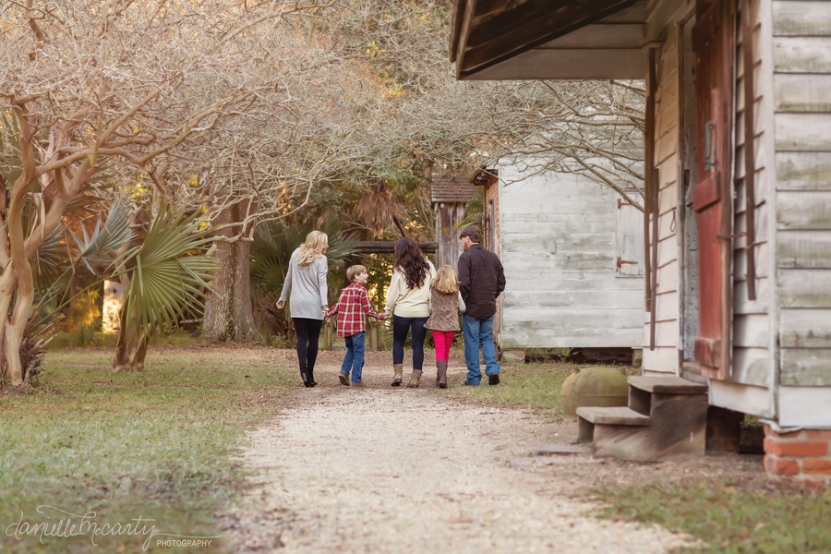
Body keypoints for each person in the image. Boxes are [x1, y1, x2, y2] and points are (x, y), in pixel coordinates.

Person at [277, 230, 329, 387]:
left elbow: (289, 277)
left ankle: (303, 371)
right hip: (314, 303)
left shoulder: (296, 254)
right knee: (313, 338)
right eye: (325, 242)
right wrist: (324, 304)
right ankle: (310, 374)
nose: (327, 245)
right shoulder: (322, 259)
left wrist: (282, 297)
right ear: (319, 243)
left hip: (297, 302)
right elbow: (322, 283)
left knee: (301, 338)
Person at [384, 238, 436, 388]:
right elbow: (434, 287)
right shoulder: (428, 266)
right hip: (422, 311)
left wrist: (388, 310)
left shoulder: (399, 269)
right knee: (417, 345)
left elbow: (393, 292)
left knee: (398, 342)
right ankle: (415, 378)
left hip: (402, 311)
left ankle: (398, 374)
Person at [458, 225, 505, 386]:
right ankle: (492, 369)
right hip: (489, 305)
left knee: (471, 341)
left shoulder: (465, 258)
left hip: (472, 306)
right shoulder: (493, 257)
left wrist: (462, 302)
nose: (462, 243)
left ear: (467, 239)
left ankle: (474, 377)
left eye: (462, 240)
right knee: (486, 338)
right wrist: (492, 296)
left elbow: (463, 284)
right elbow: (501, 282)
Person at [324, 265, 386, 387]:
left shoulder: (344, 291)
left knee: (350, 350)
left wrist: (327, 313)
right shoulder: (362, 291)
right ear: (356, 276)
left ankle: (344, 371)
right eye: (364, 273)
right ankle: (356, 380)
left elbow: (337, 307)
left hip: (345, 328)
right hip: (357, 328)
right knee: (359, 353)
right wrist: (380, 316)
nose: (367, 275)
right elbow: (368, 310)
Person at [424, 265, 466, 389]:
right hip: (450, 324)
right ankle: (442, 376)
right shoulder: (456, 292)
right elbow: (463, 308)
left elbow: (430, 308)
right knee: (446, 350)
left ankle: (441, 376)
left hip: (437, 324)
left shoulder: (432, 291)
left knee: (439, 350)